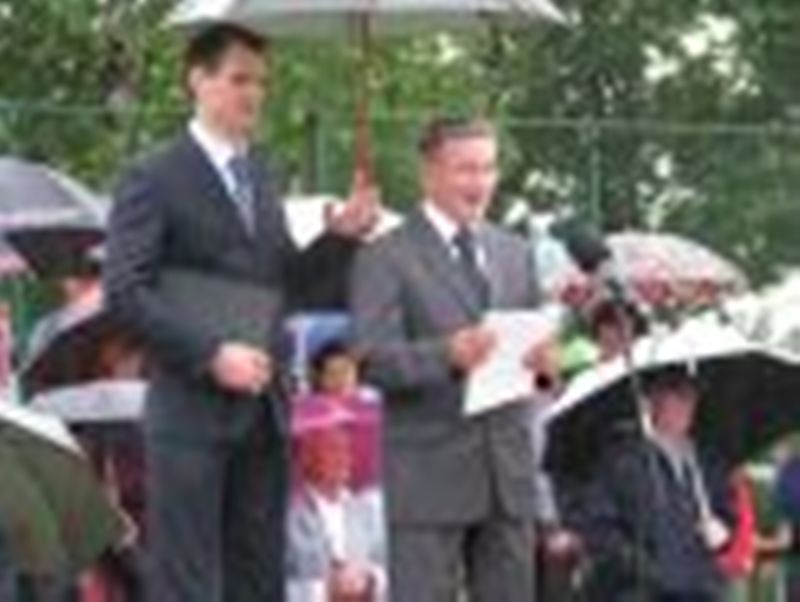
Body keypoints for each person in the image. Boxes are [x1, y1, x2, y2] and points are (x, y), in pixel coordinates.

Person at [104, 23, 377, 602]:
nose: (254, 94)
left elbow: (286, 288)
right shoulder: (153, 176)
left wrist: (341, 238)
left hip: (263, 416)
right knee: (192, 587)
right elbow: (125, 293)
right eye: (239, 79)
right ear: (197, 80)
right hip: (190, 419)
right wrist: (210, 355)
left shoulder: (261, 174)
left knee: (258, 582)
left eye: (261, 82)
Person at [350, 116, 555, 602]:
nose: (479, 182)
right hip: (427, 479)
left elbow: (531, 358)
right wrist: (446, 354)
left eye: (488, 168)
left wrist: (545, 368)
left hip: (507, 477)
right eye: (465, 169)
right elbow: (371, 359)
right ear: (429, 174)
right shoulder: (385, 256)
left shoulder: (515, 252)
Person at [576, 369, 734, 601]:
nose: (686, 406)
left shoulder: (706, 461)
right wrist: (638, 564)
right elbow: (600, 525)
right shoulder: (622, 460)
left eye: (691, 398)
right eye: (677, 396)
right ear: (653, 400)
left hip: (699, 589)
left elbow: (726, 511)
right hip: (640, 592)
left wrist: (723, 531)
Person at [287, 401, 387, 602]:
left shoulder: (369, 508)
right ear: (307, 457)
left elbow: (394, 566)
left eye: (347, 448)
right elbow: (271, 585)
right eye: (333, 449)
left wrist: (371, 580)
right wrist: (323, 591)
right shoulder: (289, 516)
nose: (344, 458)